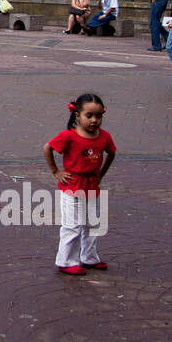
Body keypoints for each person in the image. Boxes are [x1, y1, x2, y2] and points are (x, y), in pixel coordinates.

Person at [43, 93, 116, 276]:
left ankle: (89, 257)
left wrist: (101, 174)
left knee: (92, 224)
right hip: (73, 186)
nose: (94, 120)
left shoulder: (104, 136)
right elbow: (48, 148)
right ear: (77, 116)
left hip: (91, 185)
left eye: (98, 116)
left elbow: (112, 153)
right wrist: (56, 171)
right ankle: (66, 261)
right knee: (72, 225)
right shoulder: (69, 136)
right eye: (89, 116)